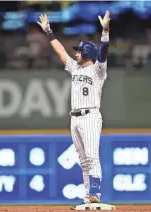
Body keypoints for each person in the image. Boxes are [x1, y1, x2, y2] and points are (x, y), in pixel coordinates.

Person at [37, 10, 110, 208]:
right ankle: (89, 197)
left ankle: (95, 194)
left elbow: (103, 52)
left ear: (87, 54)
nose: (75, 53)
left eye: (79, 51)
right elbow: (60, 52)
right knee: (84, 160)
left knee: (92, 156)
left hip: (90, 115)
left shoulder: (98, 70)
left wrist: (105, 31)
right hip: (75, 118)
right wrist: (49, 32)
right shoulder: (75, 68)